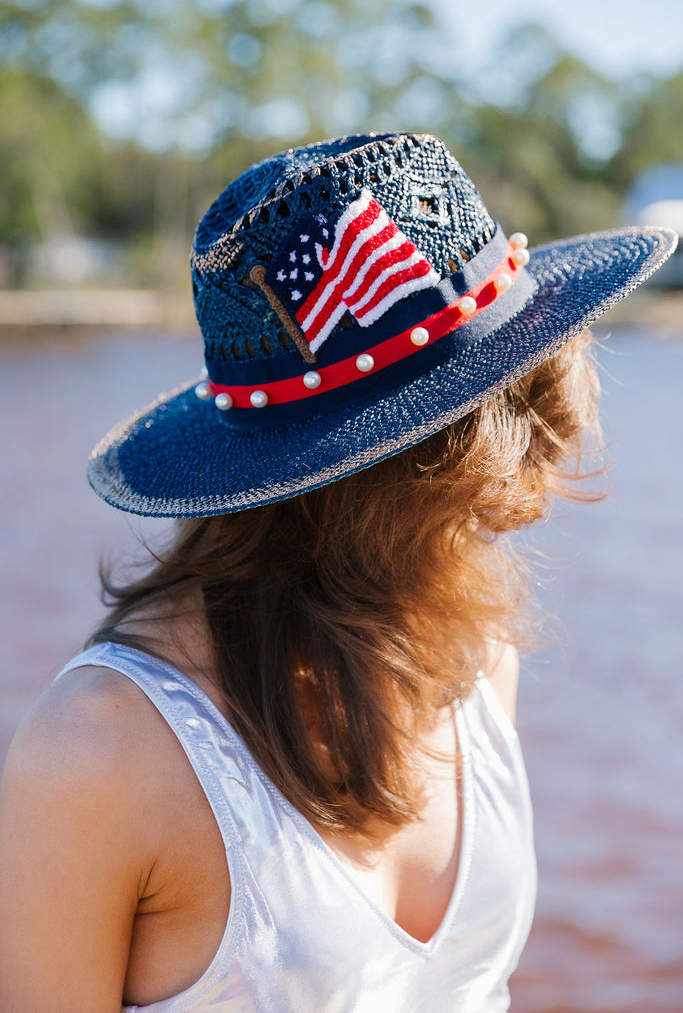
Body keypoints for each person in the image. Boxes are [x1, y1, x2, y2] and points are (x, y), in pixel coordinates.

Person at [0, 132, 676, 1013]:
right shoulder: (102, 749)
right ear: (438, 461)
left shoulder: (474, 658)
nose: (538, 484)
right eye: (513, 404)